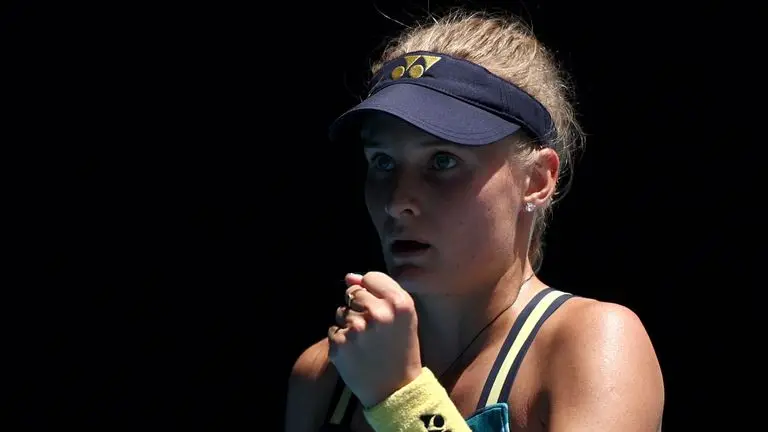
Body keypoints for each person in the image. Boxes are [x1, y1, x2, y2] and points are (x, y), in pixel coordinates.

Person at [285, 9, 665, 432]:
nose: (397, 202)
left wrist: (400, 396)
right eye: (383, 162)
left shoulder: (593, 343)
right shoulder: (322, 375)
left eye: (443, 161)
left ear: (538, 180)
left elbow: (399, 397)